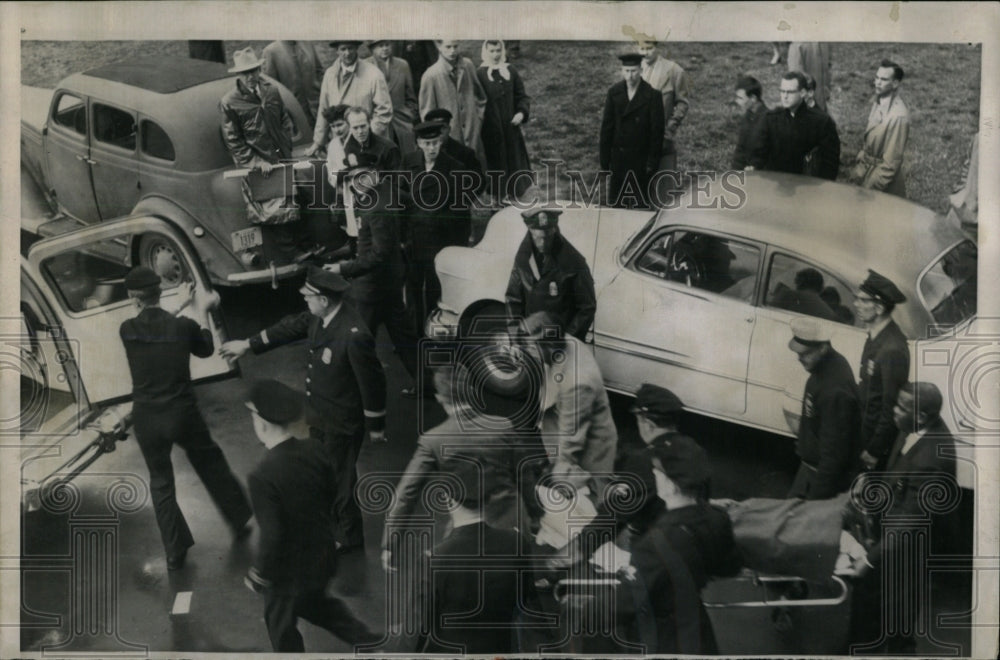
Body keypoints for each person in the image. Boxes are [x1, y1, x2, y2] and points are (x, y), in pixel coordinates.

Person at [219, 267, 386, 553]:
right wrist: (248, 344)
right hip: (320, 412)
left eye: (308, 297)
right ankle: (331, 525)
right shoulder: (320, 317)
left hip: (342, 420)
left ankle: (348, 537)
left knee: (341, 476)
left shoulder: (353, 334)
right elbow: (288, 327)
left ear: (323, 299)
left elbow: (372, 382)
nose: (305, 302)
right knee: (326, 470)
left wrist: (376, 425)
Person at [118, 267, 251, 570]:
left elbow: (155, 323)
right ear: (159, 292)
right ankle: (239, 518)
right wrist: (199, 309)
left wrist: (180, 307)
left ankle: (175, 551)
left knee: (161, 481)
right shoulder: (183, 328)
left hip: (147, 419)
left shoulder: (127, 330)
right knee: (209, 460)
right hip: (181, 414)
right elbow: (205, 348)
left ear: (132, 299)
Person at [242, 379, 378, 652]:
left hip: (287, 572)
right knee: (318, 605)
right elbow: (331, 493)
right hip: (322, 557)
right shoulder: (315, 449)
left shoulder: (262, 476)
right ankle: (372, 642)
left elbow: (273, 534)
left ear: (262, 423)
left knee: (280, 626)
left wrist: (260, 575)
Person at [846, 382, 957, 654]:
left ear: (920, 416)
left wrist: (870, 560)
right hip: (889, 540)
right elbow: (897, 477)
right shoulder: (912, 427)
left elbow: (912, 520)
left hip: (904, 553)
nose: (893, 412)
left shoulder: (932, 458)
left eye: (900, 407)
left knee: (895, 624)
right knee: (871, 612)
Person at [615, 437, 741, 654]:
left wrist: (582, 614)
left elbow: (623, 604)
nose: (654, 477)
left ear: (670, 485)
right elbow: (729, 567)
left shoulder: (656, 541)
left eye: (657, 473)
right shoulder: (718, 518)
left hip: (662, 637)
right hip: (699, 630)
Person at [417, 455, 542, 654]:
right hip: (499, 650)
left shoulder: (436, 558)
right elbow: (529, 605)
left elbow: (418, 629)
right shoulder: (516, 543)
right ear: (488, 497)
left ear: (448, 500)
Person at [322, 153, 419, 387]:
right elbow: (409, 205)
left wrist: (342, 268)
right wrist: (402, 240)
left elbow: (378, 253)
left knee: (357, 339)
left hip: (373, 285)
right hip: (389, 281)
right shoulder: (381, 192)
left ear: (373, 175)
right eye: (354, 177)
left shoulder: (376, 207)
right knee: (404, 337)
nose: (358, 182)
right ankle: (427, 385)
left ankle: (350, 388)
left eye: (363, 175)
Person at [522, 311, 617, 491]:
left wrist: (560, 474)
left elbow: (571, 438)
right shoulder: (565, 342)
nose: (528, 352)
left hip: (590, 453)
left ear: (548, 345)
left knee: (592, 500)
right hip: (565, 429)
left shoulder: (577, 382)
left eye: (532, 347)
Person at [220, 47, 301, 243]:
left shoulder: (271, 91)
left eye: (252, 71)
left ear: (259, 70)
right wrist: (256, 162)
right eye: (245, 73)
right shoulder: (230, 102)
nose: (249, 77)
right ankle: (287, 254)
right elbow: (233, 140)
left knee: (292, 202)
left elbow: (283, 118)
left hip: (281, 157)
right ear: (239, 75)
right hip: (258, 166)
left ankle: (300, 249)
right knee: (271, 211)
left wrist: (286, 143)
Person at [401, 120, 469, 337]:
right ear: (418, 143)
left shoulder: (454, 168)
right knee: (412, 289)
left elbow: (460, 214)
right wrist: (401, 236)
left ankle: (434, 335)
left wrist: (456, 249)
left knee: (435, 291)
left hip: (439, 243)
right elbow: (400, 202)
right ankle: (414, 333)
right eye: (427, 143)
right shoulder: (409, 162)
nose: (432, 148)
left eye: (436, 143)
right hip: (412, 241)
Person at [785, 317, 861, 500]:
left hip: (819, 478)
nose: (799, 358)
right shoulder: (826, 365)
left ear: (823, 348)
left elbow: (833, 455)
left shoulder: (835, 391)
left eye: (805, 354)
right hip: (809, 470)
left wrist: (816, 500)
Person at [504, 206, 596, 342]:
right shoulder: (522, 257)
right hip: (530, 340)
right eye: (538, 237)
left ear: (554, 231)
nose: (543, 243)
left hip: (559, 344)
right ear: (530, 232)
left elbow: (587, 307)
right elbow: (513, 300)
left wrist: (567, 340)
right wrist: (514, 339)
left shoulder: (574, 262)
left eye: (548, 237)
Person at [853, 270, 910, 472]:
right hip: (864, 434)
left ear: (878, 307)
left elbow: (890, 408)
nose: (855, 304)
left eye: (862, 300)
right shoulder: (877, 336)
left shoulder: (892, 349)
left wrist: (874, 451)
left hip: (873, 446)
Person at [599, 53, 665, 208]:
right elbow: (607, 128)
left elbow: (657, 133)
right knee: (617, 205)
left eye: (634, 71)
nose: (630, 75)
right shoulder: (614, 93)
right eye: (627, 71)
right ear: (622, 71)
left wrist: (652, 163)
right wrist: (605, 159)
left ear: (641, 70)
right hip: (619, 161)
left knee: (640, 205)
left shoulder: (652, 96)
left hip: (641, 163)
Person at [750, 71, 840, 180]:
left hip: (808, 187)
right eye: (782, 91)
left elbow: (830, 162)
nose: (785, 96)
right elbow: (758, 154)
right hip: (776, 184)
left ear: (802, 93)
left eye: (790, 92)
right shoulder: (770, 119)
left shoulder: (822, 122)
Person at [309, 40, 393, 156]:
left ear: (356, 49)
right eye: (343, 49)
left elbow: (384, 110)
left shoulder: (373, 73)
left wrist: (366, 136)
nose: (347, 53)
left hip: (368, 144)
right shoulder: (330, 74)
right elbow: (324, 109)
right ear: (337, 51)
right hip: (341, 142)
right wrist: (318, 142)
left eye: (351, 48)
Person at [477, 40, 532, 200]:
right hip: (492, 132)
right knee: (497, 169)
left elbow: (522, 96)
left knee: (515, 167)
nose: (495, 55)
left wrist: (521, 113)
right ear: (486, 52)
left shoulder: (510, 71)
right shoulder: (480, 74)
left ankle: (517, 200)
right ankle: (498, 203)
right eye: (492, 51)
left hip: (511, 130)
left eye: (498, 51)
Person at [637, 39, 690, 200]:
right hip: (638, 139)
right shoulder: (635, 69)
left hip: (662, 139)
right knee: (639, 188)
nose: (645, 52)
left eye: (649, 48)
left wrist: (671, 127)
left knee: (663, 190)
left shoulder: (674, 71)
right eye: (641, 48)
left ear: (657, 47)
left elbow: (683, 103)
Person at [848, 59, 909, 196]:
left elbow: (890, 165)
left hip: (883, 184)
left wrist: (869, 190)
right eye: (876, 78)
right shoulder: (879, 100)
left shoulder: (898, 116)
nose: (877, 82)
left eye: (883, 79)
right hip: (866, 171)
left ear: (895, 83)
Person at [419, 40, 488, 160]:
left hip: (472, 133)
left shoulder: (468, 66)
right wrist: (440, 134)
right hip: (449, 136)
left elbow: (480, 97)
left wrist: (478, 119)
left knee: (476, 169)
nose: (452, 51)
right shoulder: (431, 75)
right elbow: (427, 113)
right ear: (438, 46)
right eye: (448, 47)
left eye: (455, 46)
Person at [366, 39, 419, 154]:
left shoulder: (402, 65)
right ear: (372, 49)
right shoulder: (366, 67)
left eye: (387, 45)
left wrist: (409, 114)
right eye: (380, 46)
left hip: (401, 122)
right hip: (378, 125)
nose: (385, 48)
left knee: (407, 158)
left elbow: (410, 95)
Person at [261, 40, 325, 124]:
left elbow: (319, 72)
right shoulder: (271, 51)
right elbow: (269, 88)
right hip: (294, 116)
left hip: (319, 109)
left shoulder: (308, 44)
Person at [424, 107, 485, 189]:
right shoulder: (417, 155)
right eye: (434, 128)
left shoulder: (465, 154)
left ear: (449, 129)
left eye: (443, 128)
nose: (439, 132)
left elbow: (478, 184)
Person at [343, 106, 401, 173]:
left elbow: (398, 180)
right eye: (355, 128)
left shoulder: (389, 148)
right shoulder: (349, 146)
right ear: (349, 127)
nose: (360, 131)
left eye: (363, 126)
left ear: (369, 123)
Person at [769, 267, 840, 321]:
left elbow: (769, 313)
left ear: (799, 283)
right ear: (820, 288)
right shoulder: (828, 312)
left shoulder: (788, 295)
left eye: (796, 282)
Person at [731, 75, 768, 170]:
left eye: (740, 98)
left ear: (753, 98)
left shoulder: (769, 120)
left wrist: (756, 166)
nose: (737, 102)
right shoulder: (747, 116)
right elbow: (740, 149)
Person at [787, 42, 831, 114]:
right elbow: (796, 79)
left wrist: (826, 89)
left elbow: (826, 70)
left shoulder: (824, 43)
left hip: (820, 101)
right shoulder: (797, 45)